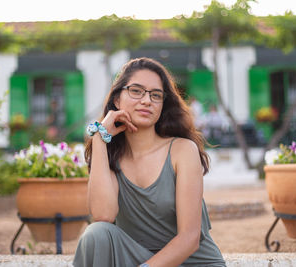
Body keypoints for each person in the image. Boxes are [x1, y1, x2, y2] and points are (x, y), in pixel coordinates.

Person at [73, 58, 226, 267]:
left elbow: (189, 239)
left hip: (191, 263)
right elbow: (103, 215)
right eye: (136, 91)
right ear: (117, 99)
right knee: (96, 234)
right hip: (137, 258)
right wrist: (99, 138)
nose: (147, 101)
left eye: (156, 95)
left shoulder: (182, 150)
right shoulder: (111, 157)